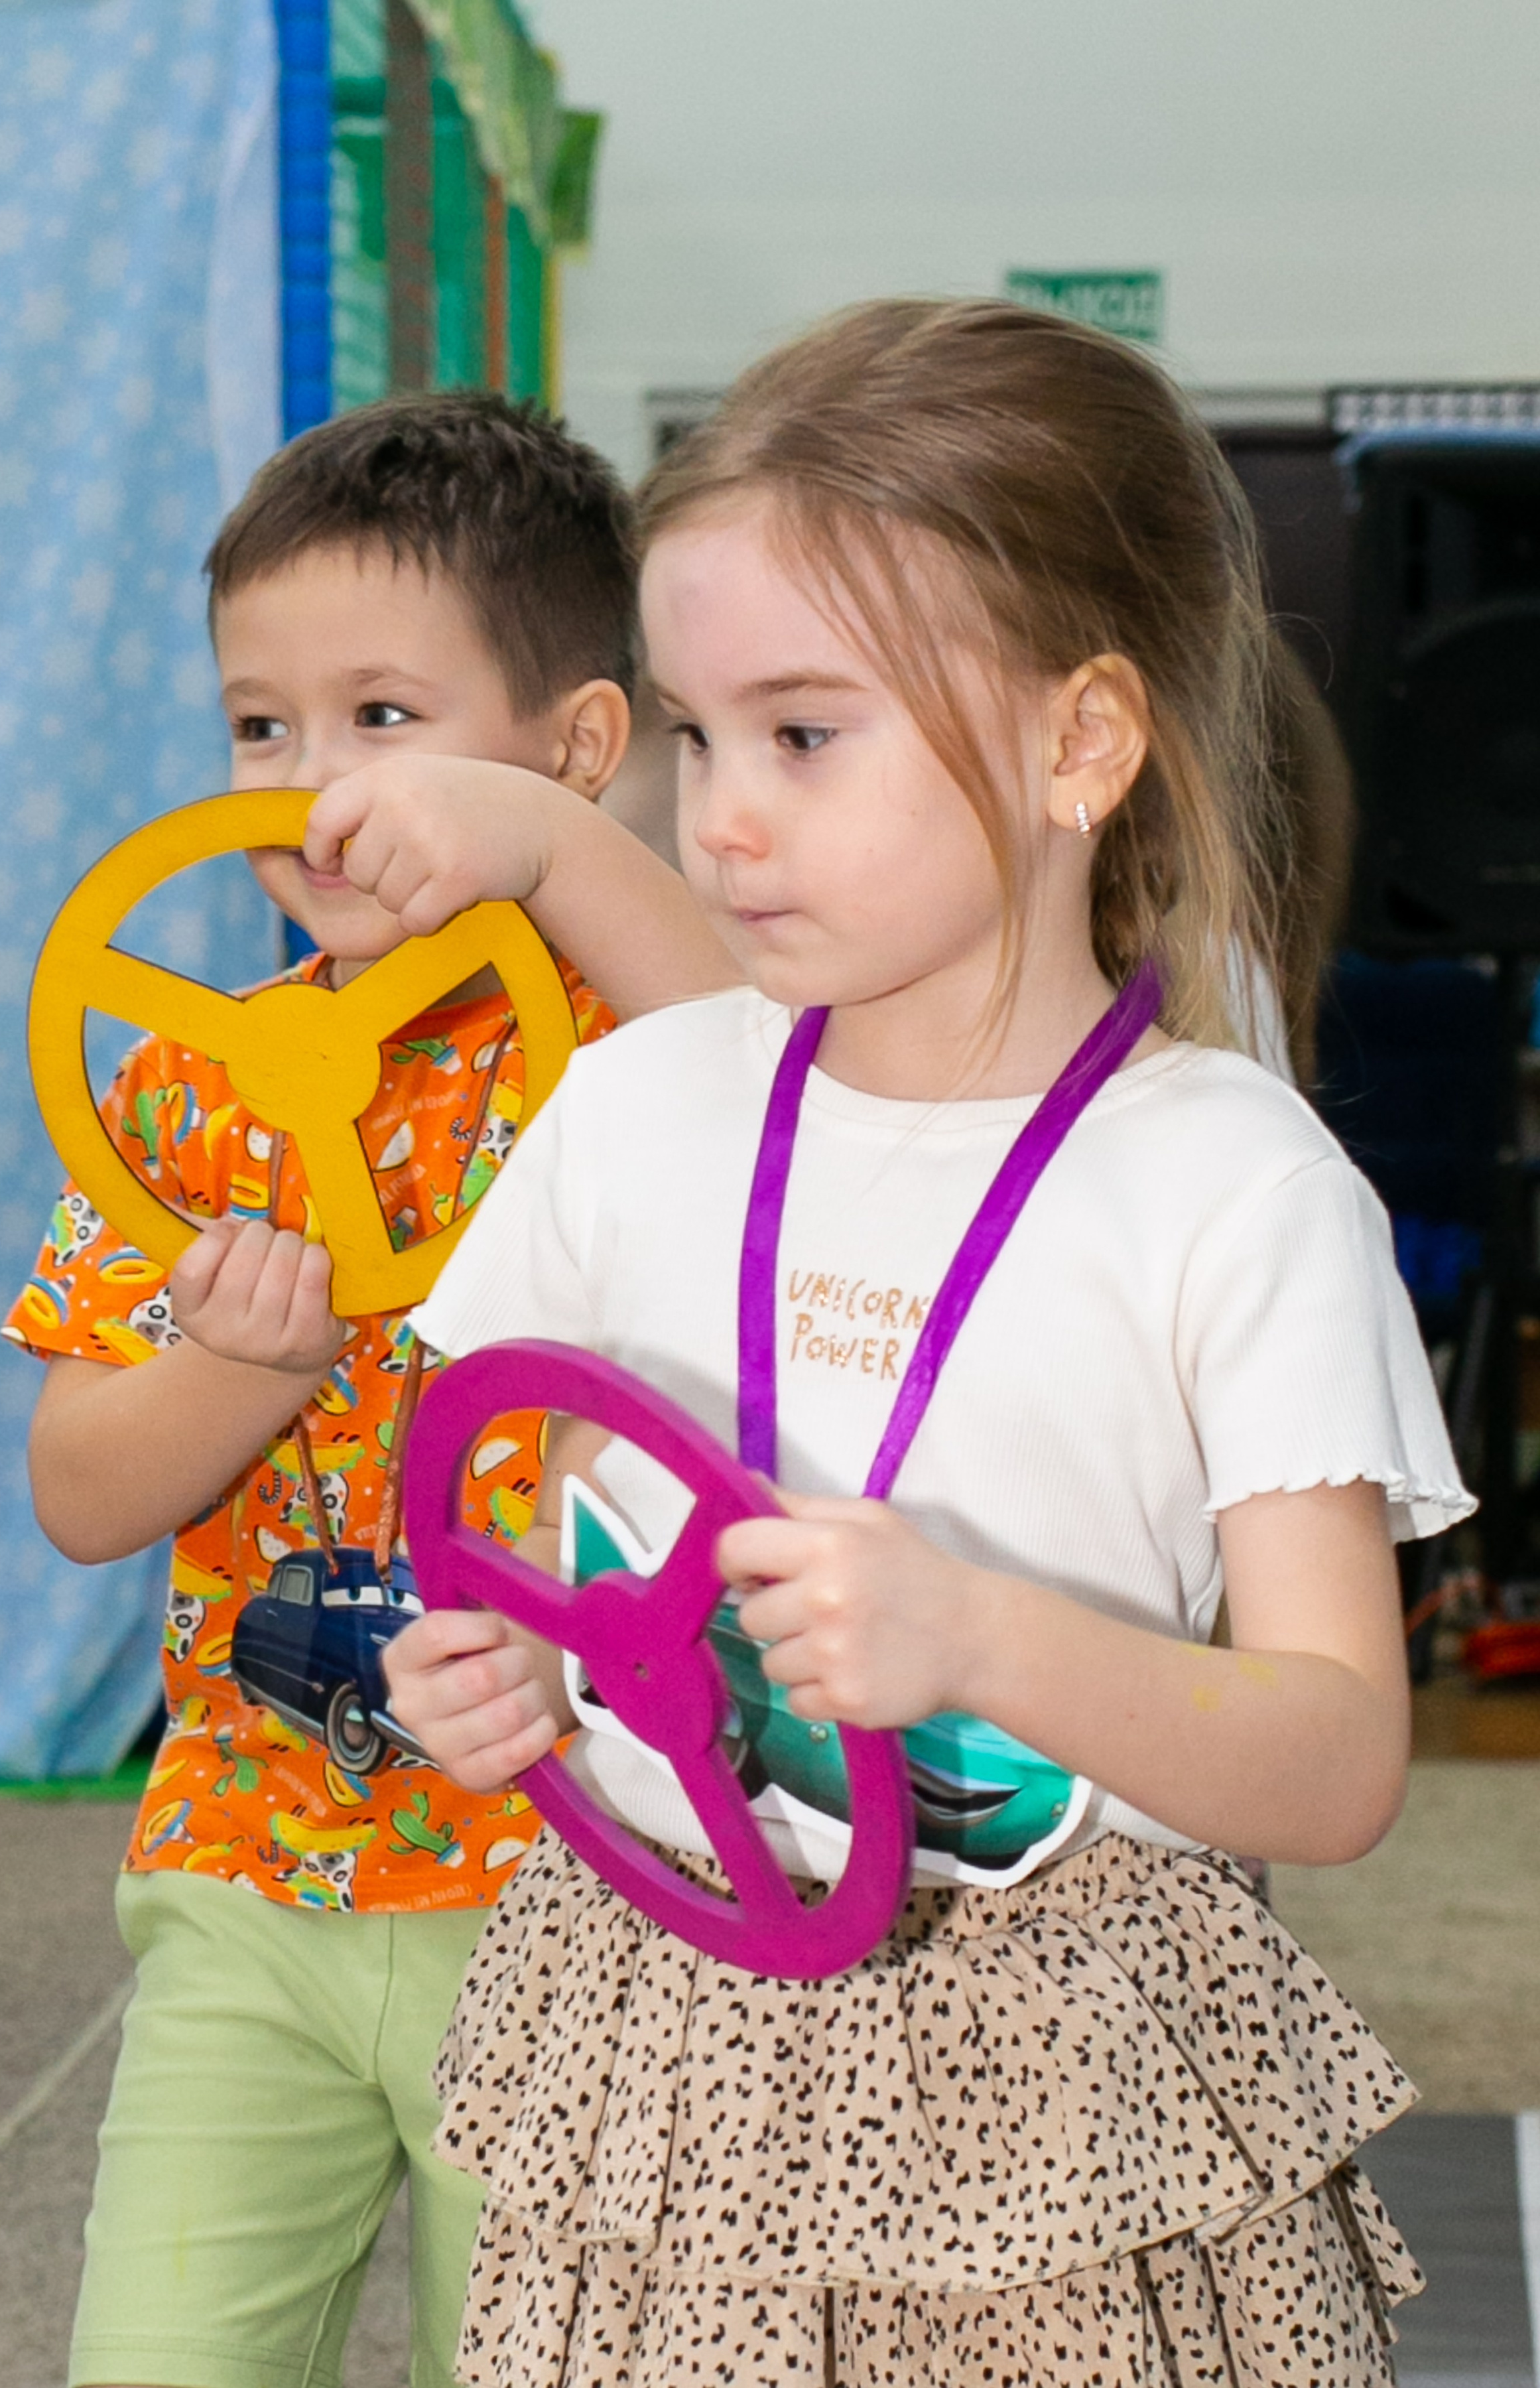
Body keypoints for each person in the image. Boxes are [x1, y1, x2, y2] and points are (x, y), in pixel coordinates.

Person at [379, 304, 1471, 2387]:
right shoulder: (633, 1110)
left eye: (808, 735)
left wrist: (981, 1649)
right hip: (663, 2033)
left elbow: (1337, 1760)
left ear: (1081, 746)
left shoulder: (1236, 1188)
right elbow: (519, 1524)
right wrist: (508, 1671)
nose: (722, 822)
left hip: (1068, 2080)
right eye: (699, 737)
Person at [3, 391, 732, 2388]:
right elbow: (79, 1489)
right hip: (248, 1876)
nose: (310, 787)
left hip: (592, 1890)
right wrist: (246, 1363)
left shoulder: (627, 1054)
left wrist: (566, 859)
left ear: (576, 750)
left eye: (383, 720)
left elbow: (772, 1098)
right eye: (260, 726)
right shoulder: (175, 1082)